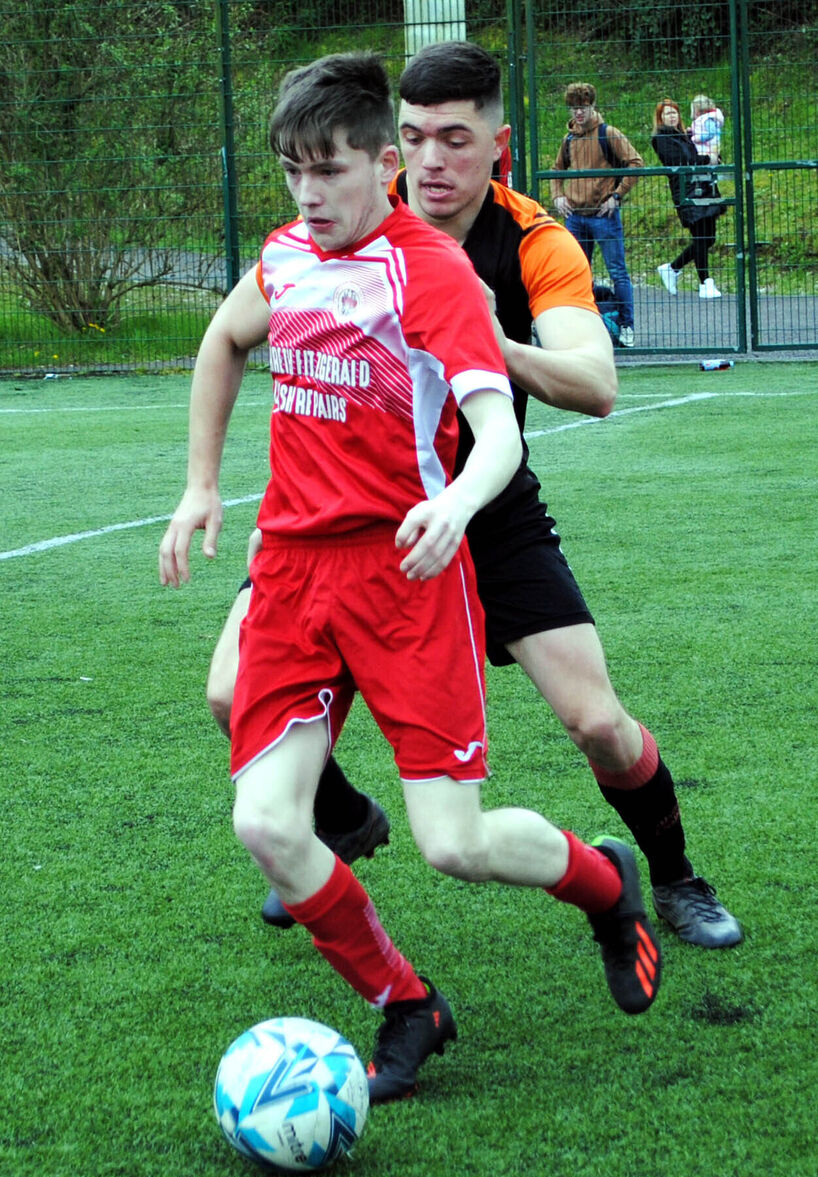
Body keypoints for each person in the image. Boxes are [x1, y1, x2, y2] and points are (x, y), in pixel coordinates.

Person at [159, 51, 663, 1106]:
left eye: (330, 170)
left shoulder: (427, 271)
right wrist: (200, 486)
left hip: (402, 576)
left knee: (454, 845)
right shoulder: (287, 254)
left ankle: (605, 881)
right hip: (295, 571)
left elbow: (494, 434)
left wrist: (455, 502)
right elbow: (222, 339)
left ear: (379, 167)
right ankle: (407, 1004)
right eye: (293, 170)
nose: (308, 193)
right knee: (263, 823)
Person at [209, 42, 741, 955]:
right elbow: (233, 331)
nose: (431, 162)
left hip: (484, 511)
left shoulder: (533, 237)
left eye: (455, 140)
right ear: (388, 149)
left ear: (498, 141)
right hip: (351, 529)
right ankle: (337, 823)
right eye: (413, 140)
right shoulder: (341, 218)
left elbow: (595, 382)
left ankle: (674, 876)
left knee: (596, 722)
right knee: (228, 694)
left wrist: (486, 346)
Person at [549, 81, 642, 348]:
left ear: (593, 106)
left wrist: (617, 195)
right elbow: (556, 170)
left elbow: (635, 163)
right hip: (575, 217)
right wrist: (558, 195)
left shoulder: (607, 133)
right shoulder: (568, 139)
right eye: (574, 108)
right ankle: (582, 329)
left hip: (604, 215)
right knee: (576, 273)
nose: (579, 113)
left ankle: (626, 326)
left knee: (618, 272)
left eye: (584, 107)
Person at [653, 99, 724, 300]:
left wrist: (713, 158)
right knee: (701, 236)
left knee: (709, 237)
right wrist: (705, 160)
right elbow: (679, 161)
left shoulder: (685, 135)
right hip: (687, 192)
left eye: (674, 112)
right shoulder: (661, 138)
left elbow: (696, 155)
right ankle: (705, 283)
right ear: (660, 118)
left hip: (703, 188)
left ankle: (672, 268)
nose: (672, 116)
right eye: (667, 113)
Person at [689, 94, 725, 165]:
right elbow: (701, 129)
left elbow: (711, 133)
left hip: (708, 148)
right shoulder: (703, 119)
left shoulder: (707, 119)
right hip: (704, 147)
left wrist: (698, 138)